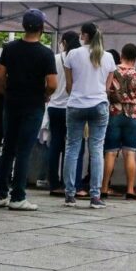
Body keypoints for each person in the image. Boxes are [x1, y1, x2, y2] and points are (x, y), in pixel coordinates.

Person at [0, 9, 58, 211]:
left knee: (8, 148)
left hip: (11, 102)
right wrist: (45, 94)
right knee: (24, 150)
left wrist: (7, 91)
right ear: (42, 27)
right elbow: (53, 83)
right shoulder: (46, 53)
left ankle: (0, 194)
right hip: (33, 104)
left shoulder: (10, 48)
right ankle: (18, 196)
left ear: (23, 26)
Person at [63, 22, 116, 209]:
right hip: (99, 104)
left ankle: (70, 194)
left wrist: (78, 95)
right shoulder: (108, 57)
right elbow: (107, 88)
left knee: (72, 147)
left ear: (83, 35)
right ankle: (95, 195)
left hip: (76, 103)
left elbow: (69, 85)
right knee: (96, 149)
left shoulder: (72, 54)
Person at [101, 43, 136, 200]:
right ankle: (130, 190)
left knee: (110, 153)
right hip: (134, 116)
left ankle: (104, 188)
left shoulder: (112, 71)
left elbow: (105, 91)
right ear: (135, 58)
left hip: (114, 113)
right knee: (130, 153)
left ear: (121, 54)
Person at [47, 31, 83, 196]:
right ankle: (72, 182)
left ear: (63, 42)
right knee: (75, 147)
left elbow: (48, 82)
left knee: (55, 145)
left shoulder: (55, 58)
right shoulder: (80, 59)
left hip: (54, 106)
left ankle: (54, 183)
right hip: (73, 106)